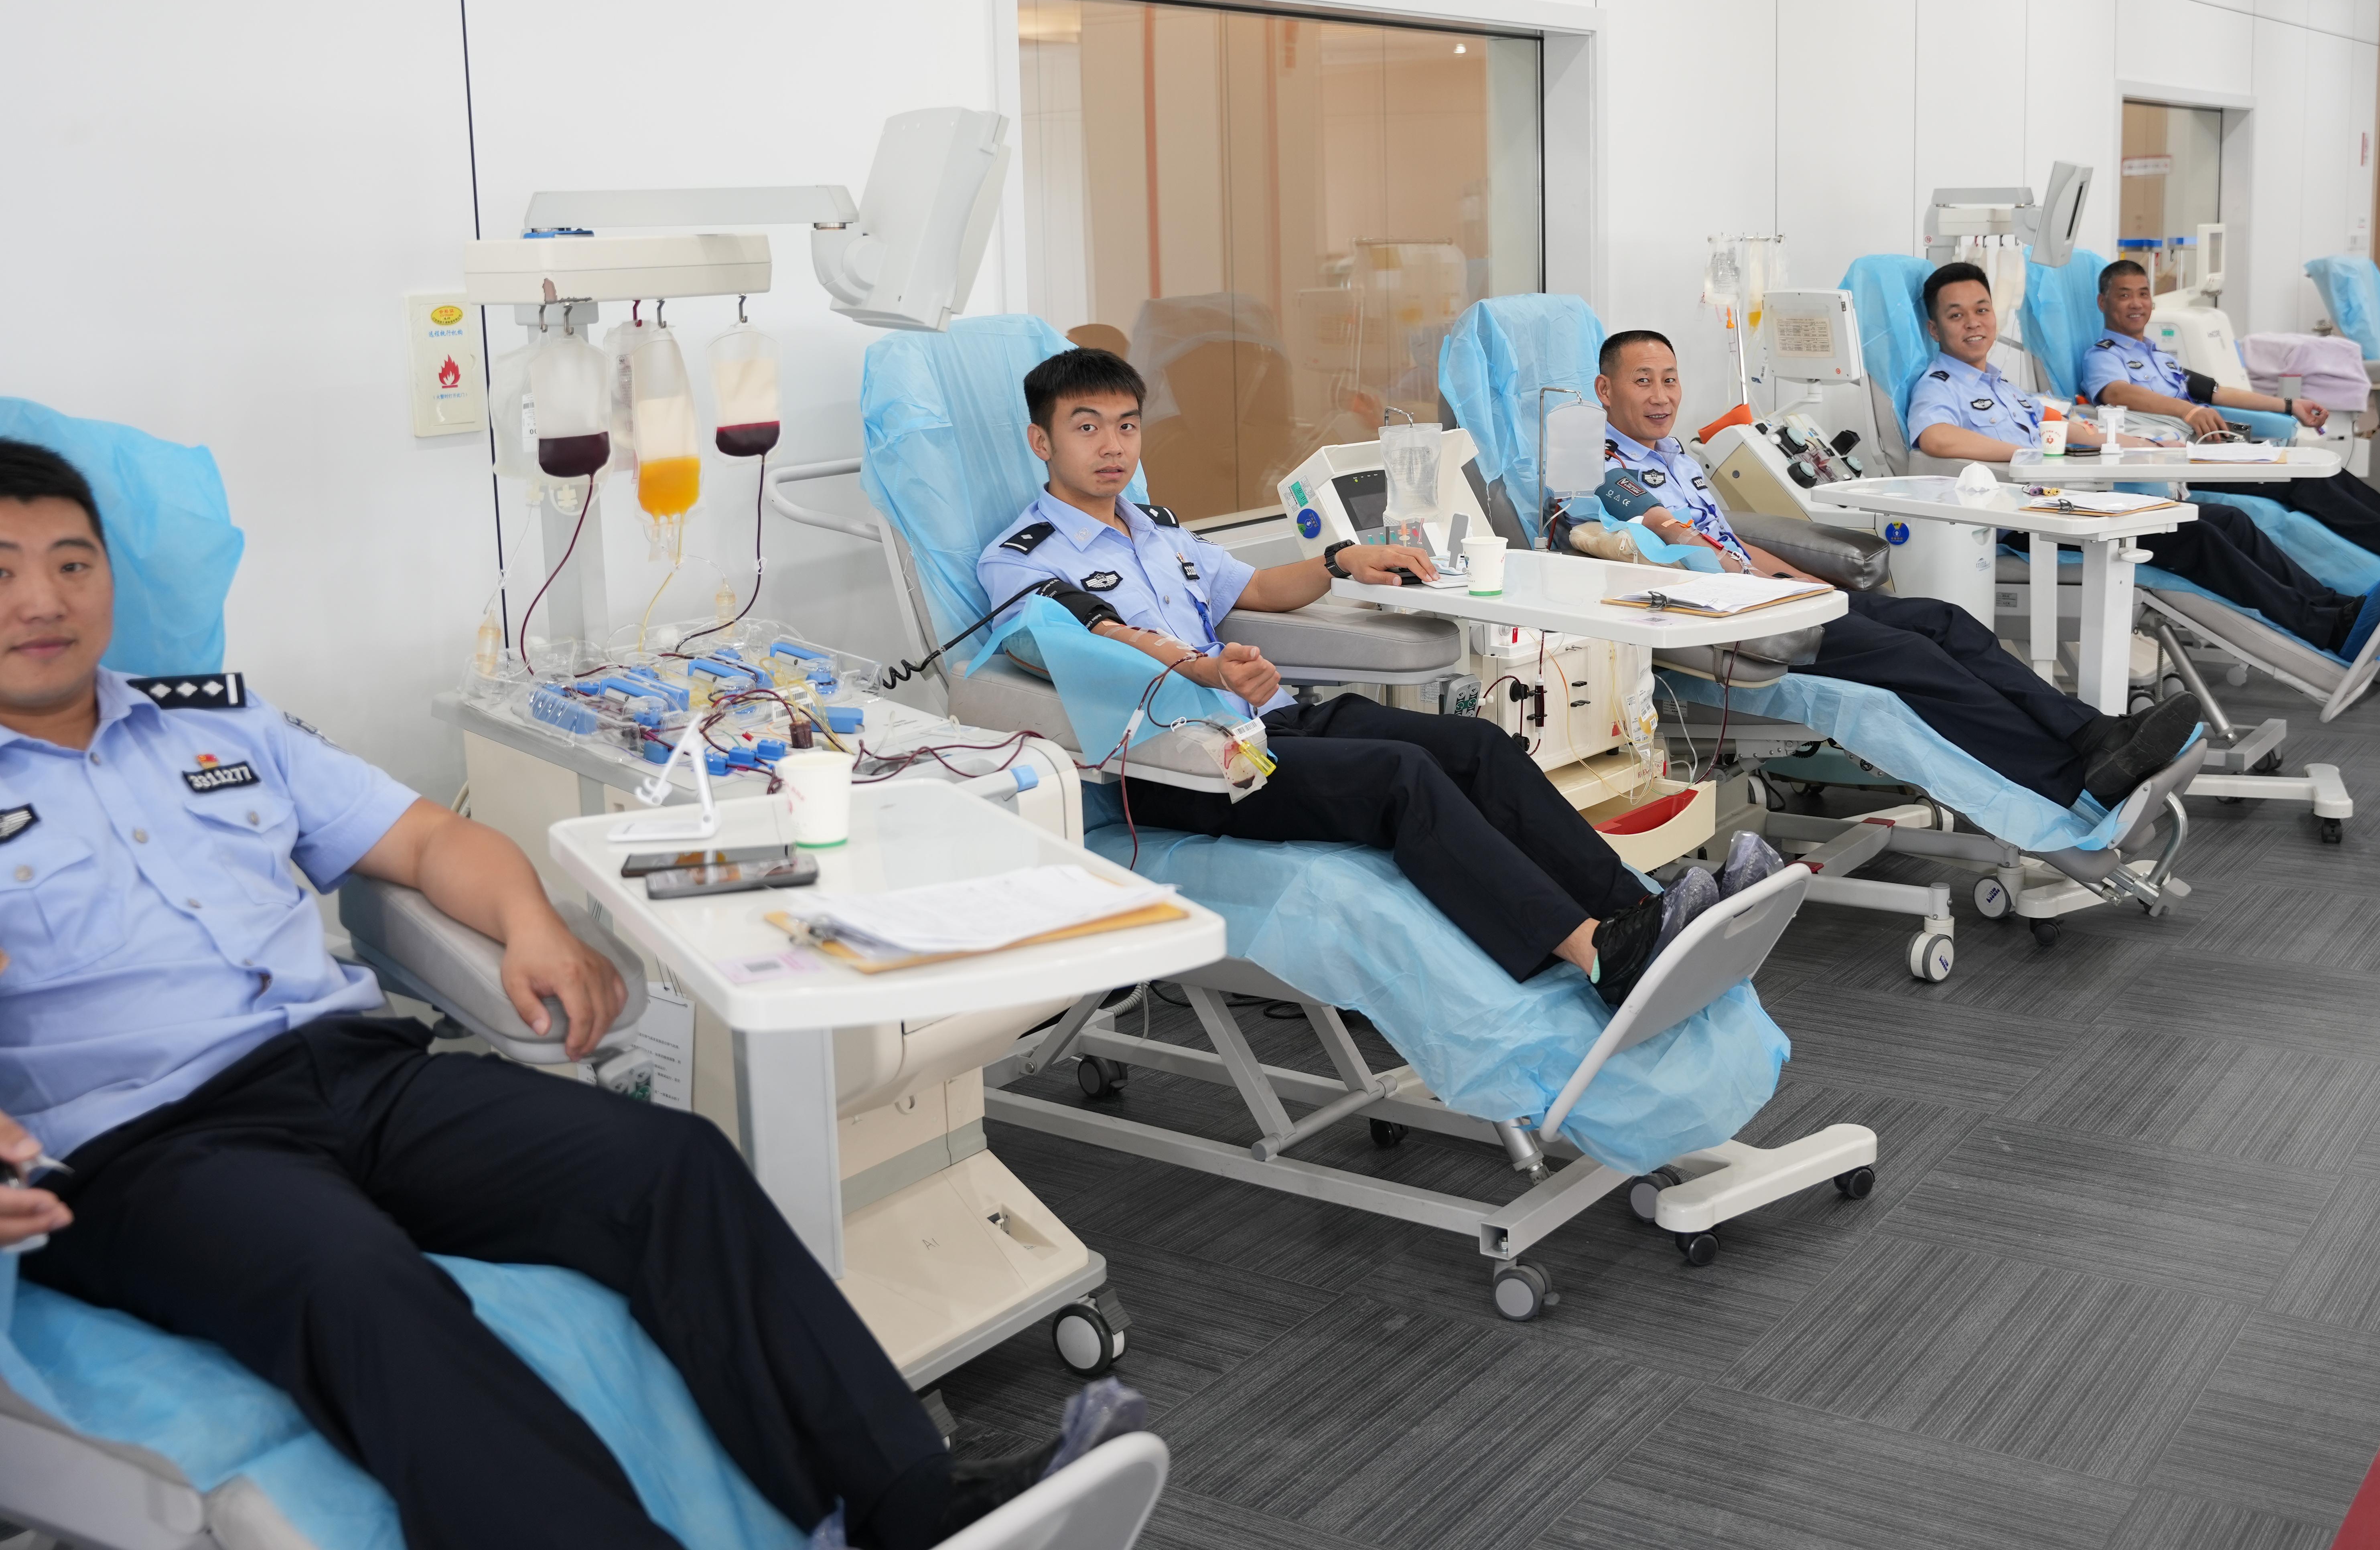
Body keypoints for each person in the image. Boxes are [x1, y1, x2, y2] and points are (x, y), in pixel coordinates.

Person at [0, 438, 1141, 1550]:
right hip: (148, 1149)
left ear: (108, 579)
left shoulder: (219, 724)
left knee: (672, 1165)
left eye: (71, 562)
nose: (43, 599)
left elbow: (432, 841)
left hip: (357, 1079)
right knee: (357, 1280)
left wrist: (532, 923)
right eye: (2, 571)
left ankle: (915, 1510)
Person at [977, 346, 1694, 1009]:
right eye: (1087, 428)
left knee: (1478, 745)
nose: (1112, 446)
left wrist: (1340, 559)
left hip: (1268, 724)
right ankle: (1592, 952)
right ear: (1043, 441)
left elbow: (1255, 587)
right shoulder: (1019, 560)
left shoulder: (1157, 531)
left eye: (1127, 426)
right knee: (1401, 774)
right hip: (1183, 763)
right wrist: (1204, 668)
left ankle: (1640, 914)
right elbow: (1092, 642)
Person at [1588, 330, 2199, 810]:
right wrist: (1771, 589)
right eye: (1643, 381)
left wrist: (1804, 580)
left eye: (1670, 379)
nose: (1662, 395)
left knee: (1946, 623)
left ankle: (2095, 735)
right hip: (1738, 620)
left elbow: (1731, 539)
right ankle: (2069, 779)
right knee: (1915, 659)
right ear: (1605, 390)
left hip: (1774, 596)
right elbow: (1683, 542)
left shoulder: (1676, 456)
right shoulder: (1604, 470)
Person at [1907, 261, 2380, 660]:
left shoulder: (2003, 385)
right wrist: (2029, 454)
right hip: (2029, 523)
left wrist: (2137, 445)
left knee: (2229, 521)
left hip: (2069, 505)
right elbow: (1936, 438)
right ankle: (2326, 629)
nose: (1973, 323)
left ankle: (2337, 608)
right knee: (2197, 536)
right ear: (1935, 329)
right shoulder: (1940, 386)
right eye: (1957, 315)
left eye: (1982, 310)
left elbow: (2064, 426)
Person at [2079, 258, 2380, 561]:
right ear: (2102, 303)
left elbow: (2218, 392)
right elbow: (2117, 392)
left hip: (2210, 450)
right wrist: (2187, 412)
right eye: (2125, 295)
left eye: (2143, 294)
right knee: (2299, 479)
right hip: (2177, 464)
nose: (2137, 304)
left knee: (2316, 465)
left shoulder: (2161, 358)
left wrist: (2290, 405)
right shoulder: (2103, 357)